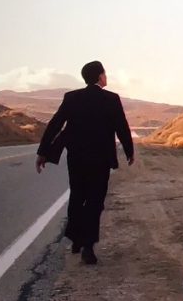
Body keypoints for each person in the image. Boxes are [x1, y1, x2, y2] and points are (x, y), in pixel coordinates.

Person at [36, 60, 134, 265]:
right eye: (105, 74)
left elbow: (55, 124)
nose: (106, 77)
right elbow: (121, 127)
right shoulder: (111, 99)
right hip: (101, 159)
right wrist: (129, 151)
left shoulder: (72, 98)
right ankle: (87, 246)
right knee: (95, 201)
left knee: (77, 196)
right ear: (99, 76)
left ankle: (76, 239)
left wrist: (43, 151)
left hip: (77, 158)